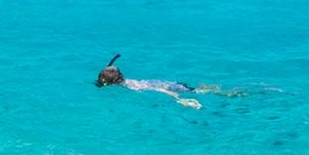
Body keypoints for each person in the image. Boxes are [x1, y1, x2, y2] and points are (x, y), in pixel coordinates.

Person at [94, 56, 244, 110]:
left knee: (200, 92)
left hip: (170, 88)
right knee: (199, 89)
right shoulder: (127, 81)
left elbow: (160, 91)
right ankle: (216, 90)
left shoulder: (132, 87)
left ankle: (229, 93)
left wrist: (179, 100)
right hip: (168, 83)